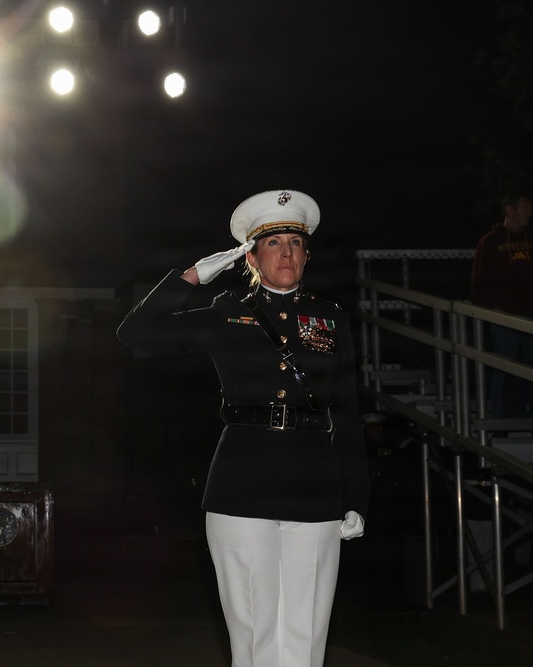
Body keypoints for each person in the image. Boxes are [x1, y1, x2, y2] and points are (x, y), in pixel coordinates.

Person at [117, 190, 369, 667]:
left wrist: (356, 496)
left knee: (305, 634)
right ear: (250, 257)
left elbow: (348, 413)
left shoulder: (331, 319)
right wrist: (192, 277)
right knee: (254, 632)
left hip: (316, 484)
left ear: (307, 254)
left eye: (295, 242)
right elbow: (135, 333)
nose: (287, 253)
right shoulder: (226, 315)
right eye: (273, 243)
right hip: (242, 483)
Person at [470, 194, 533, 419]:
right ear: (510, 210)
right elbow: (478, 281)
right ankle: (498, 421)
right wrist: (492, 308)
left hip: (530, 317)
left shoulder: (530, 239)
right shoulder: (490, 242)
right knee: (502, 369)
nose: (530, 213)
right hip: (504, 317)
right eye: (525, 208)